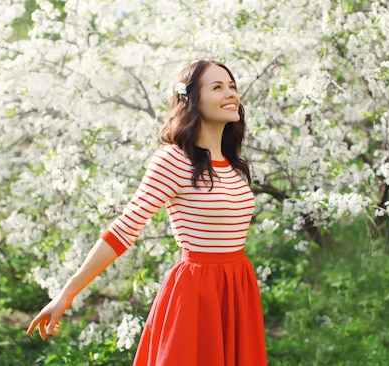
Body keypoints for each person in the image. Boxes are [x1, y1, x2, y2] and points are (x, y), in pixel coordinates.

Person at [27, 60, 268, 365]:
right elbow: (124, 229)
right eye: (217, 87)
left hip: (238, 288)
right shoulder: (173, 160)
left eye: (232, 86)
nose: (230, 94)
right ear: (190, 99)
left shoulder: (232, 165)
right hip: (197, 294)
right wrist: (67, 293)